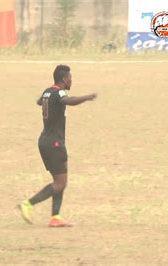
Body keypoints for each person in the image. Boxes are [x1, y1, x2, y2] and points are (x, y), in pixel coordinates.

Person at [18, 65, 97, 227]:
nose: (71, 80)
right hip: (54, 143)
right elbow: (67, 100)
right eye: (70, 78)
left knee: (61, 179)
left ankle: (56, 217)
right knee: (60, 183)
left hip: (47, 141)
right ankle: (28, 204)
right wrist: (86, 97)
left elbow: (39, 101)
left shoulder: (47, 91)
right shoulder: (60, 93)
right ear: (63, 79)